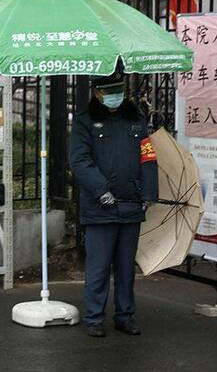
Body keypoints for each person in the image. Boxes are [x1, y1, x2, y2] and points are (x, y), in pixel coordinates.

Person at [69, 69, 158, 338]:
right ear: (97, 93)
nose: (116, 97)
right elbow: (79, 161)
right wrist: (100, 190)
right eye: (110, 92)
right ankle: (94, 317)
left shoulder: (136, 120)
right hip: (101, 208)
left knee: (126, 267)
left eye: (119, 91)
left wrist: (148, 194)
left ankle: (125, 315)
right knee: (98, 267)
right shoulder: (85, 121)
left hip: (131, 205)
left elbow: (148, 158)